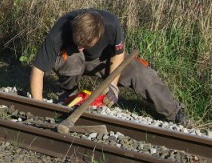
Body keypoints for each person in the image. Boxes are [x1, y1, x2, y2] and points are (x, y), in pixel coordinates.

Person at [29, 9, 188, 125]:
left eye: (86, 45)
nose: (81, 48)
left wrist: (112, 86)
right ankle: (68, 94)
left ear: (99, 35)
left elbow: (119, 55)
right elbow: (38, 70)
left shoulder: (112, 25)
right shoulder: (60, 30)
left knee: (141, 72)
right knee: (74, 57)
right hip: (72, 59)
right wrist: (39, 107)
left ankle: (175, 112)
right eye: (79, 43)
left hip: (103, 60)